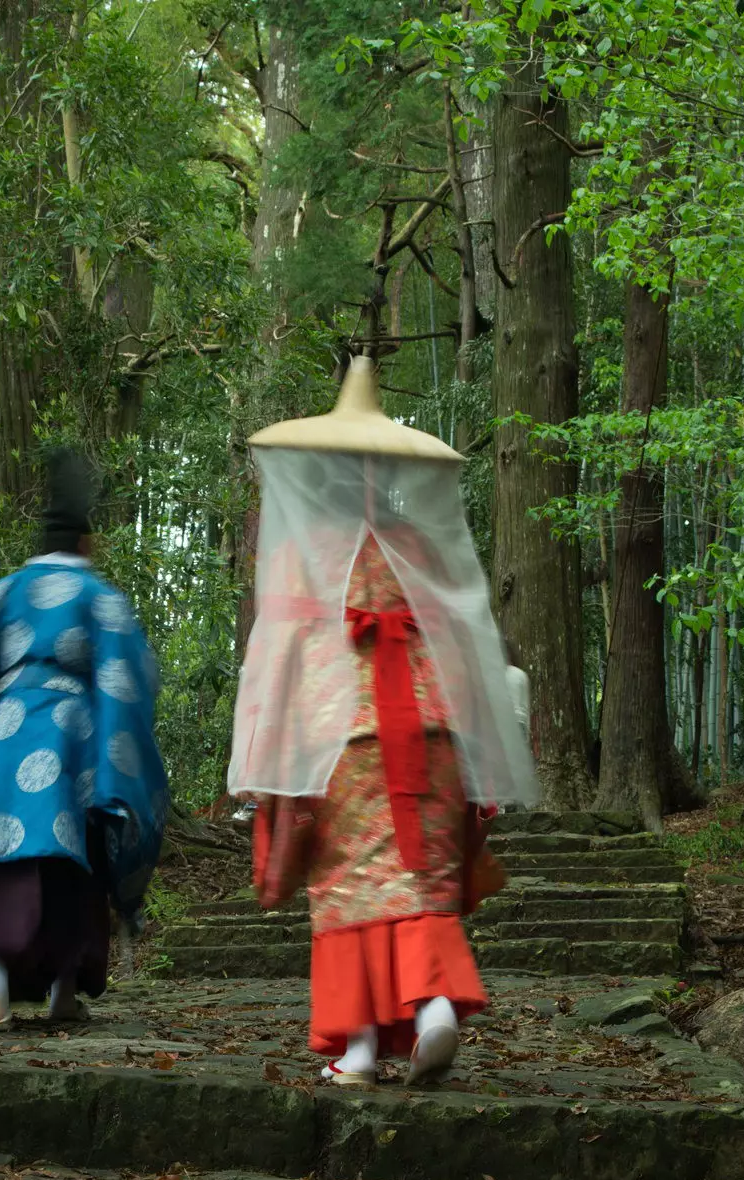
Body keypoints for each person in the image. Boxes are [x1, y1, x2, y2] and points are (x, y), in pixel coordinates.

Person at [231, 357, 538, 1086]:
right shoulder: (419, 547)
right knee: (419, 881)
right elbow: (465, 641)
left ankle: (361, 1049)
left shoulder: (306, 555)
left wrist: (259, 759)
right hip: (431, 736)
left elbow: (280, 656)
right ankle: (432, 1005)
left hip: (339, 740)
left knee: (349, 889)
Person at [0, 446, 169, 1030]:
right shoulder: (100, 601)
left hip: (2, 748)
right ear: (86, 544)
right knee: (72, 867)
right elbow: (130, 680)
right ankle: (62, 994)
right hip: (76, 746)